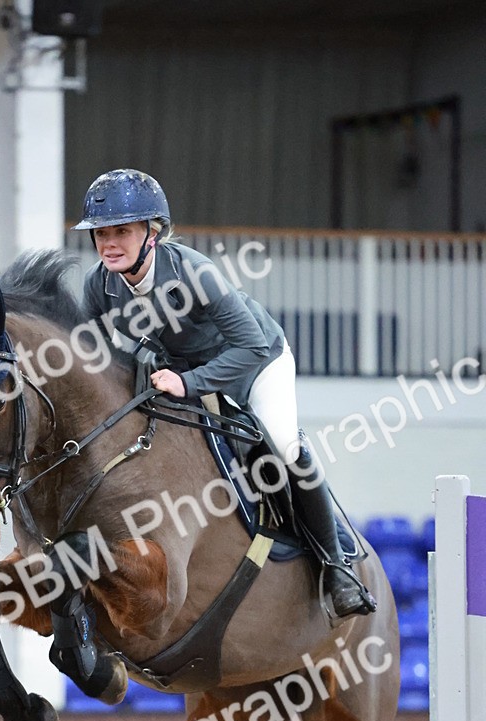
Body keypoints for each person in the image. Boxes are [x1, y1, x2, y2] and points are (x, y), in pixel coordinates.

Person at [73, 167, 376, 619]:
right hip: (183, 372)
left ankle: (337, 566)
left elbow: (251, 345)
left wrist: (188, 383)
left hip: (255, 364)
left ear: (151, 233)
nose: (108, 243)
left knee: (284, 447)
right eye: (100, 233)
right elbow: (95, 358)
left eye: (122, 231)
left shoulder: (196, 273)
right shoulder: (99, 286)